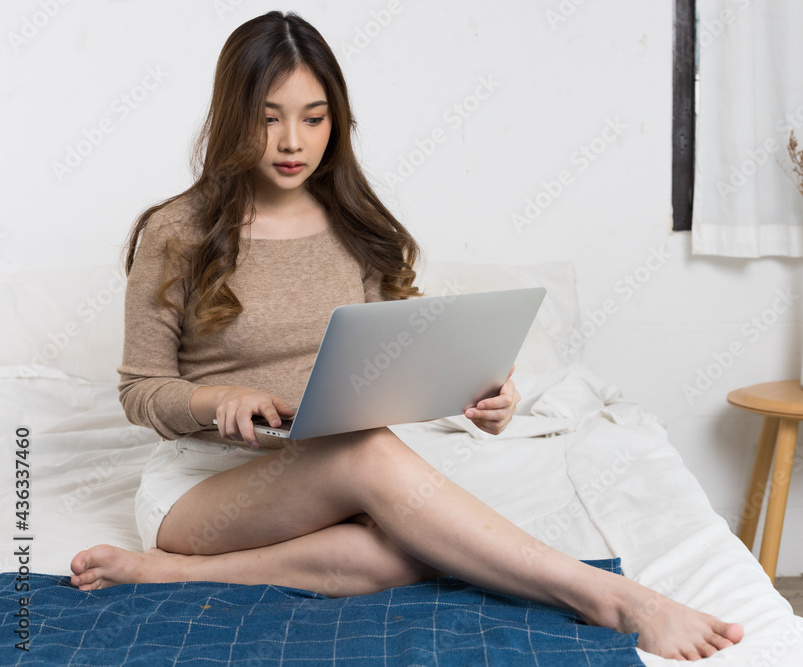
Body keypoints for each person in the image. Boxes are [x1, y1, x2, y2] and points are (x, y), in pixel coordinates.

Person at [69, 11, 743, 661]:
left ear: (337, 119)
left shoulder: (354, 227)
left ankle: (171, 575)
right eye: (268, 118)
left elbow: (385, 366)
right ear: (232, 116)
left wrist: (481, 394)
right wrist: (215, 400)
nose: (293, 142)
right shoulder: (176, 231)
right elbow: (140, 390)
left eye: (314, 118)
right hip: (204, 487)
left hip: (321, 467)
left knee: (395, 552)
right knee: (369, 456)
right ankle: (607, 595)